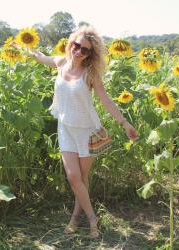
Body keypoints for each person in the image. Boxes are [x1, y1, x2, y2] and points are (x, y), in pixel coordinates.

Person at [12, 25, 138, 238]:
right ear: (70, 43)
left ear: (90, 53)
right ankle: (92, 218)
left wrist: (124, 123)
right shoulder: (61, 62)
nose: (78, 51)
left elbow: (105, 100)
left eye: (85, 50)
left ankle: (75, 217)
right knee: (73, 177)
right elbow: (42, 57)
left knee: (82, 177)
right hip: (65, 129)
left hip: (88, 131)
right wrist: (28, 48)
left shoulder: (89, 74)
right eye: (76, 45)